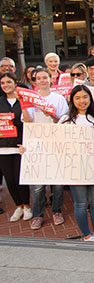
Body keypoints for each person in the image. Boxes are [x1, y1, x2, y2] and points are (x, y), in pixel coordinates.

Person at [58, 86, 94, 242]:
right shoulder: (66, 120)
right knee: (80, 202)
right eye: (78, 98)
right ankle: (87, 235)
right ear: (72, 100)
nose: (82, 101)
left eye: (85, 97)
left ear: (90, 99)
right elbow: (53, 143)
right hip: (75, 168)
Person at [23, 68, 69, 230]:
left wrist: (48, 112)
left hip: (55, 144)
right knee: (38, 185)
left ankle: (57, 211)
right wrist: (24, 104)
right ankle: (38, 215)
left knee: (57, 183)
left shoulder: (58, 99)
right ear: (34, 81)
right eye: (38, 78)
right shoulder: (31, 98)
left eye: (45, 77)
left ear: (50, 79)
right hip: (37, 145)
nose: (42, 80)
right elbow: (27, 121)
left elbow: (63, 120)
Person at [0, 73, 31, 222]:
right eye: (3, 83)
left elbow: (29, 121)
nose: (6, 85)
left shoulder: (23, 101)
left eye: (8, 82)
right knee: (10, 179)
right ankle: (18, 206)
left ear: (15, 82)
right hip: (2, 147)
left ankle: (27, 206)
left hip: (20, 146)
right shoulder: (0, 102)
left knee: (20, 177)